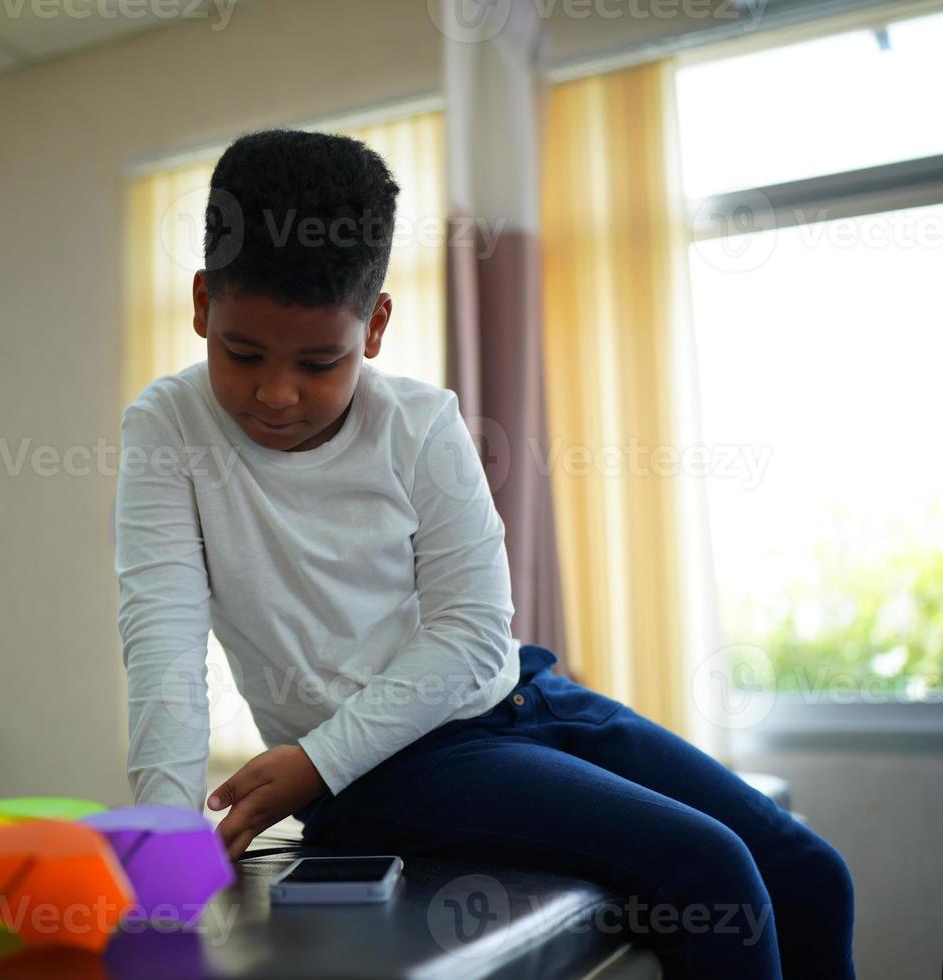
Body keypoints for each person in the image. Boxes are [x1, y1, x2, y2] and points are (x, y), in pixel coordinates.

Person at [114, 128, 854, 978]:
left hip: (519, 697)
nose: (275, 393)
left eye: (320, 362)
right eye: (243, 354)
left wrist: (313, 758)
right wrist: (168, 852)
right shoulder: (167, 428)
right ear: (203, 304)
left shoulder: (420, 424)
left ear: (377, 325)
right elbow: (162, 645)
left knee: (809, 875)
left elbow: (471, 634)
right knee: (712, 871)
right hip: (386, 772)